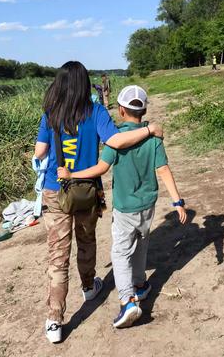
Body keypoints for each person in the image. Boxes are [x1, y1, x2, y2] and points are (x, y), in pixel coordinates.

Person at [34, 62, 164, 343]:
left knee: (58, 257)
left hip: (54, 192)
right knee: (86, 240)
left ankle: (54, 320)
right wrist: (149, 130)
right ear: (84, 85)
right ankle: (88, 285)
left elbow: (40, 151)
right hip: (86, 191)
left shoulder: (50, 113)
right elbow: (116, 140)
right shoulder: (95, 112)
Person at [58, 84, 187, 329]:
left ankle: (127, 300)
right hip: (148, 204)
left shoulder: (116, 141)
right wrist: (177, 201)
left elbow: (100, 169)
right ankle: (140, 284)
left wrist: (71, 175)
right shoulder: (154, 139)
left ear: (121, 111)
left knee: (120, 252)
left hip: (125, 207)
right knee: (141, 244)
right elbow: (163, 170)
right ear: (144, 110)